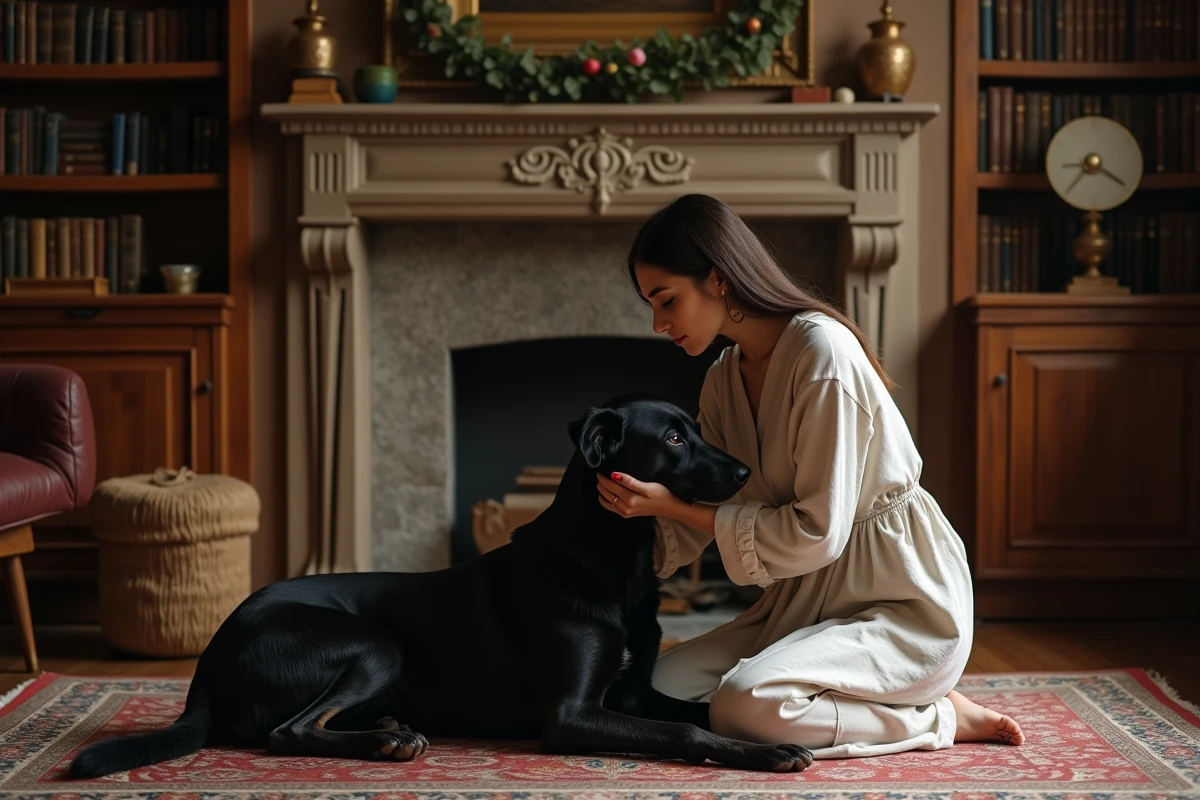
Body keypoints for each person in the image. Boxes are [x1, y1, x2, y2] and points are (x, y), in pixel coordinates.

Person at [595, 194, 1023, 758]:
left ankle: (938, 716)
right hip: (803, 605)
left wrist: (668, 507)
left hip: (899, 602)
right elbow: (699, 515)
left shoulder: (822, 354)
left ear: (718, 280)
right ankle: (878, 697)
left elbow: (817, 534)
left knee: (746, 705)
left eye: (666, 300)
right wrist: (591, 567)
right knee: (641, 686)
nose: (659, 323)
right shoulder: (723, 379)